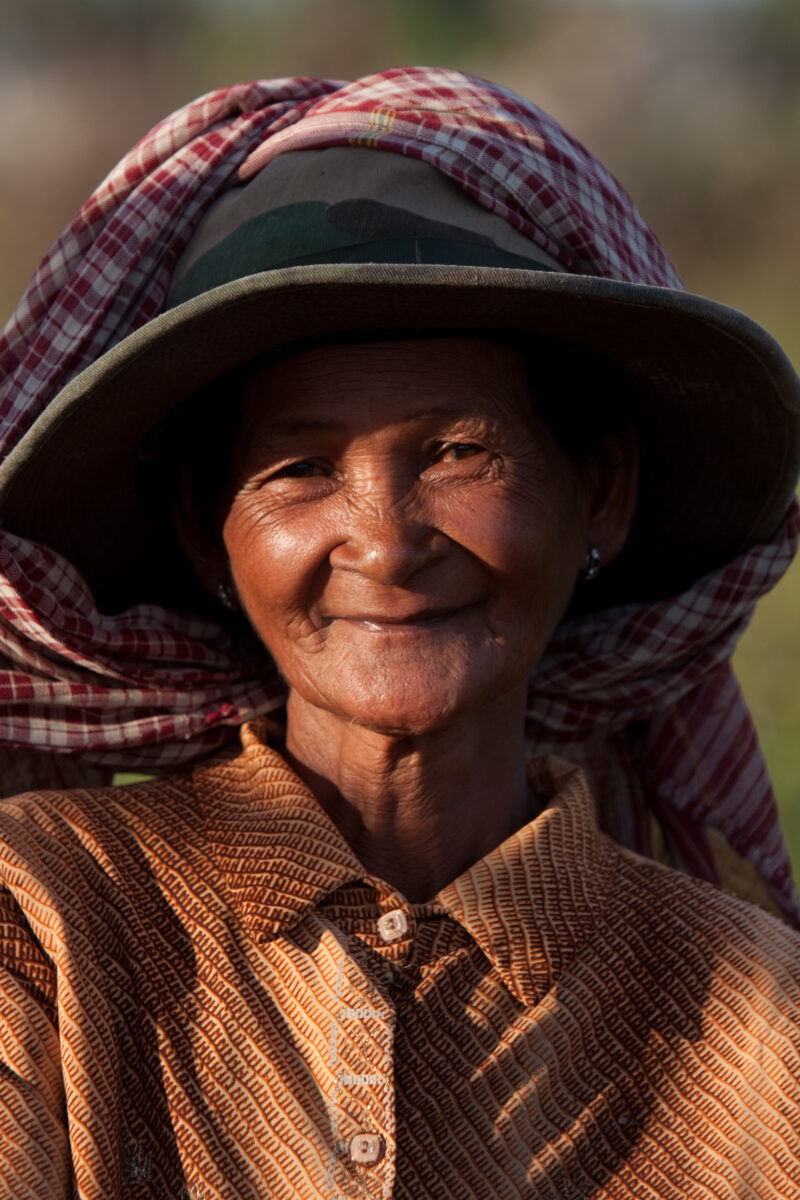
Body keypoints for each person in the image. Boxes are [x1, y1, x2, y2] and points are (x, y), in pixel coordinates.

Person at [0, 66, 798, 1199]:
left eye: (459, 452)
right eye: (299, 470)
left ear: (600, 492)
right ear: (201, 529)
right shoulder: (44, 929)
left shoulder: (755, 1023)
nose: (384, 542)